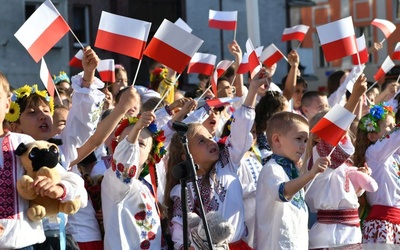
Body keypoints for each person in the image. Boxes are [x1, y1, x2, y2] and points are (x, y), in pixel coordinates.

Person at [165, 68, 268, 250]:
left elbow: (241, 130)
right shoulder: (185, 188)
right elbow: (180, 225)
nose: (211, 142)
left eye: (210, 137)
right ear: (186, 155)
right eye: (201, 141)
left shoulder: (227, 162)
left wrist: (251, 91)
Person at [304, 74, 378, 248]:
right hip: (331, 236)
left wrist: (359, 179)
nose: (341, 133)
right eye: (335, 129)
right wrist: (353, 99)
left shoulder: (341, 163)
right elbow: (332, 138)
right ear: (316, 137)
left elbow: (348, 194)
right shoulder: (319, 154)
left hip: (349, 234)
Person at [255, 111, 330, 249]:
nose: (303, 145)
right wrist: (310, 174)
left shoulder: (293, 170)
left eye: (306, 140)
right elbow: (283, 192)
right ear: (277, 140)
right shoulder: (272, 168)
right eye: (299, 139)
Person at [101, 112, 167, 250]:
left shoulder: (145, 186)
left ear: (150, 157)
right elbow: (125, 161)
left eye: (141, 143)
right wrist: (137, 128)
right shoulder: (114, 179)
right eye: (128, 139)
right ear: (118, 147)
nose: (134, 146)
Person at [353, 101, 400, 244]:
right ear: (372, 136)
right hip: (383, 223)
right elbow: (395, 138)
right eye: (389, 127)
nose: (393, 130)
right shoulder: (374, 154)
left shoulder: (394, 158)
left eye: (394, 126)